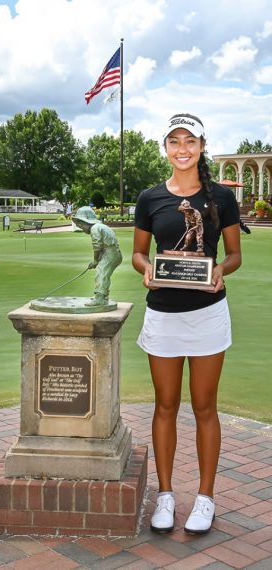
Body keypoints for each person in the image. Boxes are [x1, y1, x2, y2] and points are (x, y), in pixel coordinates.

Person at [132, 113, 241, 535]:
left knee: (204, 407)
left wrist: (220, 271)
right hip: (162, 313)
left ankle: (205, 498)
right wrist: (145, 269)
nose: (182, 148)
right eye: (174, 141)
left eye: (189, 141)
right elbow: (140, 253)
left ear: (201, 146)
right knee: (164, 406)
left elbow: (233, 255)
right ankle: (165, 495)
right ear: (166, 147)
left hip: (208, 315)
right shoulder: (150, 198)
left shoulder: (221, 199)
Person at [72, 206, 122, 306]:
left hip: (111, 254)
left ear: (86, 222)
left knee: (102, 272)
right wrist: (96, 261)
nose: (80, 227)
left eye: (81, 225)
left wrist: (95, 260)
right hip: (112, 253)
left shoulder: (95, 228)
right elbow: (102, 248)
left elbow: (97, 246)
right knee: (103, 273)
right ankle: (103, 296)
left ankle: (100, 298)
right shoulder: (100, 226)